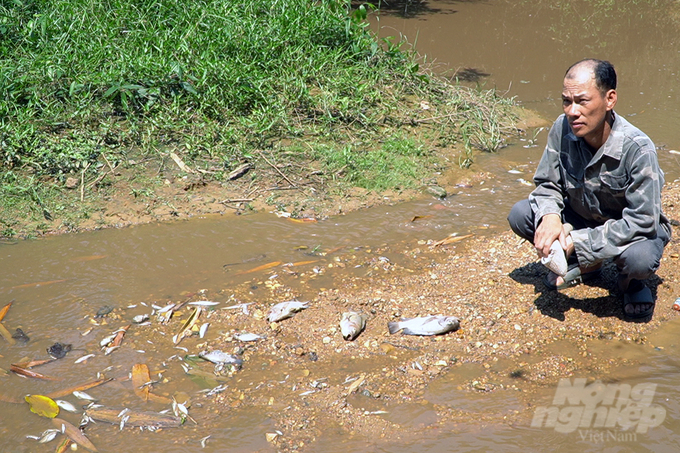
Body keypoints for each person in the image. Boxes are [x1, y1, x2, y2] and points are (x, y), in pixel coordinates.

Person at [507, 58, 671, 319]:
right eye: (566, 101)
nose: (572, 111)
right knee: (522, 214)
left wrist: (577, 242)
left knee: (639, 259)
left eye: (582, 101)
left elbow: (642, 221)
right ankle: (584, 266)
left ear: (610, 100)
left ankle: (631, 283)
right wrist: (549, 216)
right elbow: (548, 184)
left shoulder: (638, 149)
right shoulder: (562, 128)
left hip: (628, 231)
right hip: (582, 218)